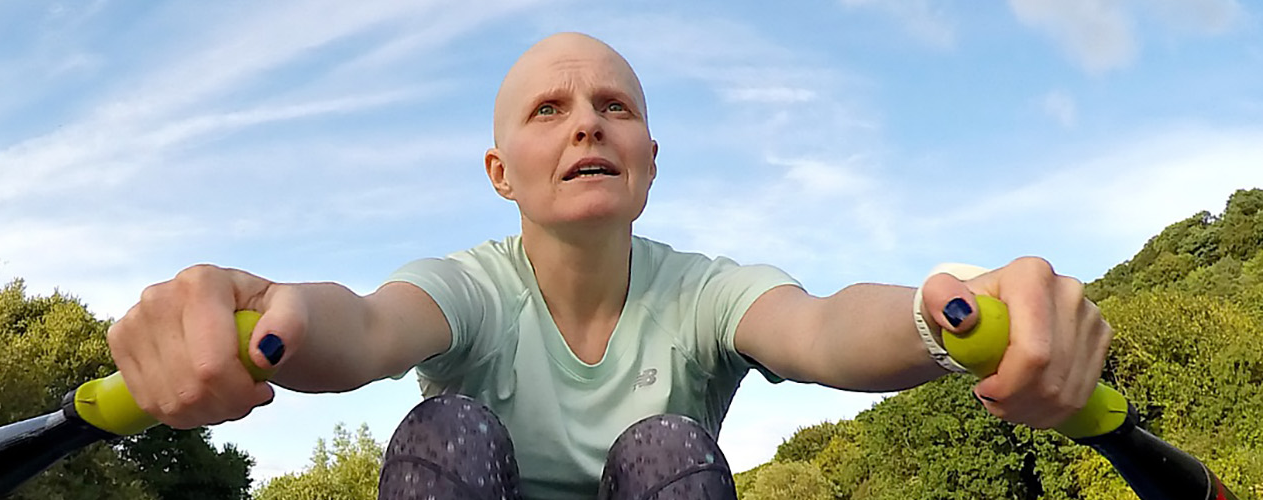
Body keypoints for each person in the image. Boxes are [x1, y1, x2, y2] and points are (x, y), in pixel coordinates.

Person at [107, 32, 1113, 499]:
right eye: (550, 108)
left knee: (666, 446)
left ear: (647, 160)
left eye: (614, 106)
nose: (585, 118)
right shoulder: (469, 286)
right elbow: (363, 327)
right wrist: (265, 315)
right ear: (501, 172)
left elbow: (817, 328)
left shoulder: (704, 291)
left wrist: (948, 311)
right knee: (444, 426)